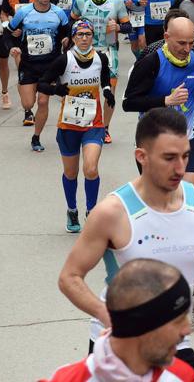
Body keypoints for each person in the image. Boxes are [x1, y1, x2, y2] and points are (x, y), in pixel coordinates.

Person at [57, 107, 194, 373]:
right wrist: (107, 316)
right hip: (122, 349)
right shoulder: (113, 212)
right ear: (141, 156)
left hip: (176, 343)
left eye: (185, 156)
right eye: (169, 158)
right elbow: (69, 277)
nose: (181, 168)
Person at [44, 259, 194, 382]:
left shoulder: (183, 376)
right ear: (141, 326)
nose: (187, 330)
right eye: (178, 320)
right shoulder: (67, 379)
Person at [123, 15, 194, 187]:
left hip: (188, 136)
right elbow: (129, 103)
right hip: (153, 138)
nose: (187, 48)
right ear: (167, 38)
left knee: (190, 190)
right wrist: (165, 100)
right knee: (159, 195)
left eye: (191, 42)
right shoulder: (150, 63)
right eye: (182, 43)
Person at [39, 20, 114, 231]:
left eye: (87, 34)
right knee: (71, 173)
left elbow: (105, 75)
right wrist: (56, 90)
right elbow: (42, 83)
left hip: (93, 123)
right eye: (80, 35)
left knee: (90, 169)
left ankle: (92, 212)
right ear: (73, 38)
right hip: (69, 125)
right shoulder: (64, 60)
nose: (84, 38)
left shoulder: (100, 58)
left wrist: (107, 89)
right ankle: (72, 210)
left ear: (93, 36)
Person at [8, 0, 72, 151]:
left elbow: (67, 34)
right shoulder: (24, 12)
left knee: (43, 102)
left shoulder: (59, 13)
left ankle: (36, 138)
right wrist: (13, 46)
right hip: (28, 64)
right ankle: (24, 86)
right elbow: (9, 31)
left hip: (49, 65)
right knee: (28, 104)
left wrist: (66, 41)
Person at [71, 0, 130, 143]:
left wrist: (118, 28)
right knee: (85, 88)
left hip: (108, 50)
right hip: (85, 51)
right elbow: (71, 20)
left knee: (109, 90)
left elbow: (128, 27)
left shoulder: (116, 1)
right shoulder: (81, 1)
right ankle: (85, 124)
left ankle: (105, 128)